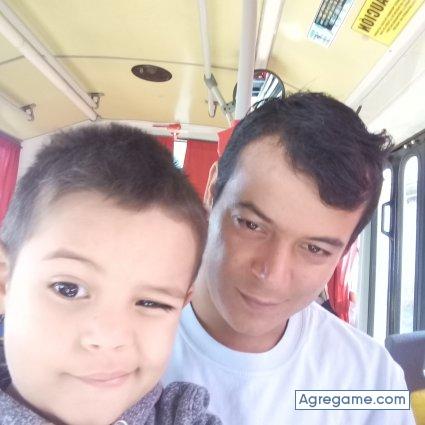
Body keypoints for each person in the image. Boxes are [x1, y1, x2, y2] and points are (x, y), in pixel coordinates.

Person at [164, 93, 415, 424]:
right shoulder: (114, 344)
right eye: (252, 225)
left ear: (344, 252)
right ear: (212, 191)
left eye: (314, 249)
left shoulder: (372, 380)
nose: (272, 275)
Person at [0, 124, 221, 425]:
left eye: (151, 303)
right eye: (68, 289)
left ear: (183, 303)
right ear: (5, 281)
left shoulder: (181, 416)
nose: (109, 337)